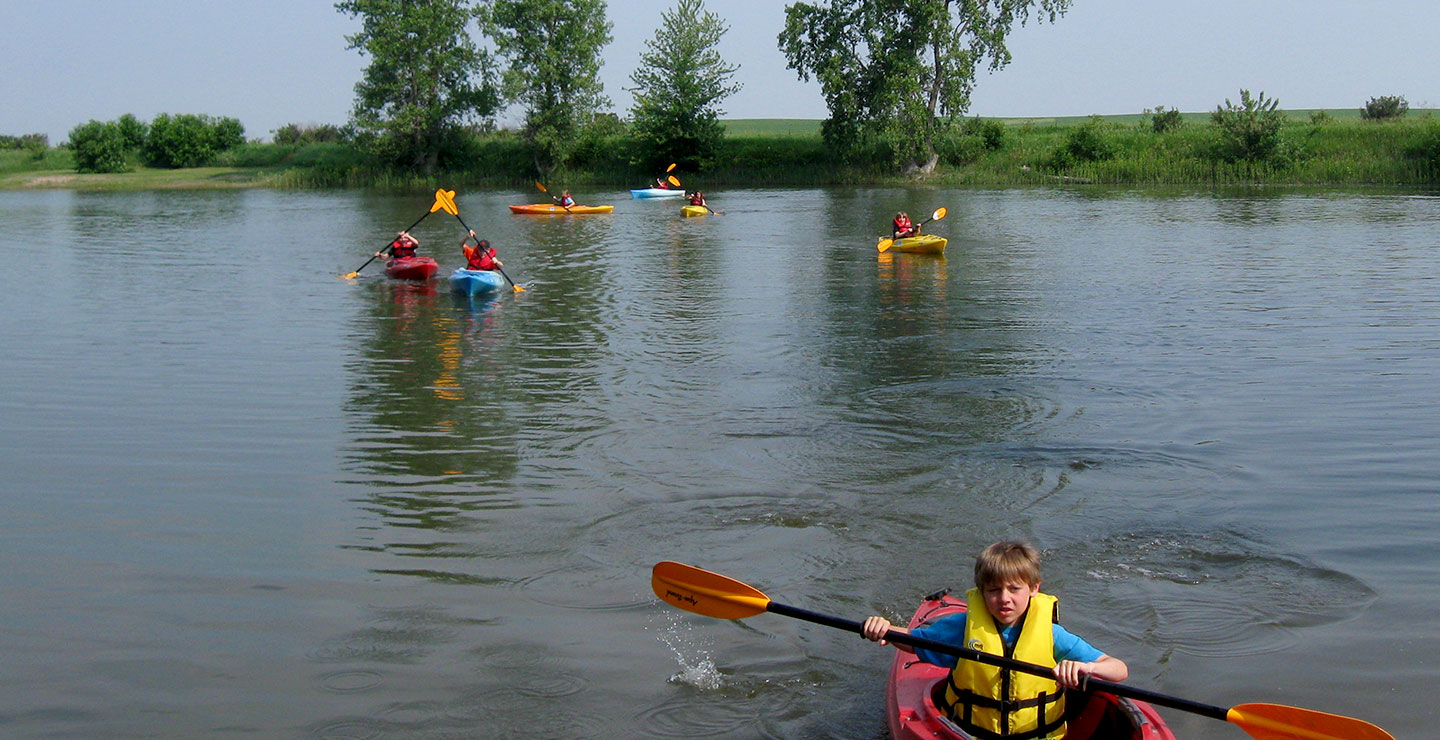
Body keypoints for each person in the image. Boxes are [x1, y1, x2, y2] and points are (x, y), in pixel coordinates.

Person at [862, 541, 1129, 740]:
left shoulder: (1052, 635)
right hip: (967, 733)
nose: (1004, 599)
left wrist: (1088, 668)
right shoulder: (962, 628)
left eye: (1015, 589)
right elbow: (914, 642)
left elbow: (1118, 669)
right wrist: (884, 628)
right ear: (981, 591)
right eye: (994, 590)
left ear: (1034, 588)